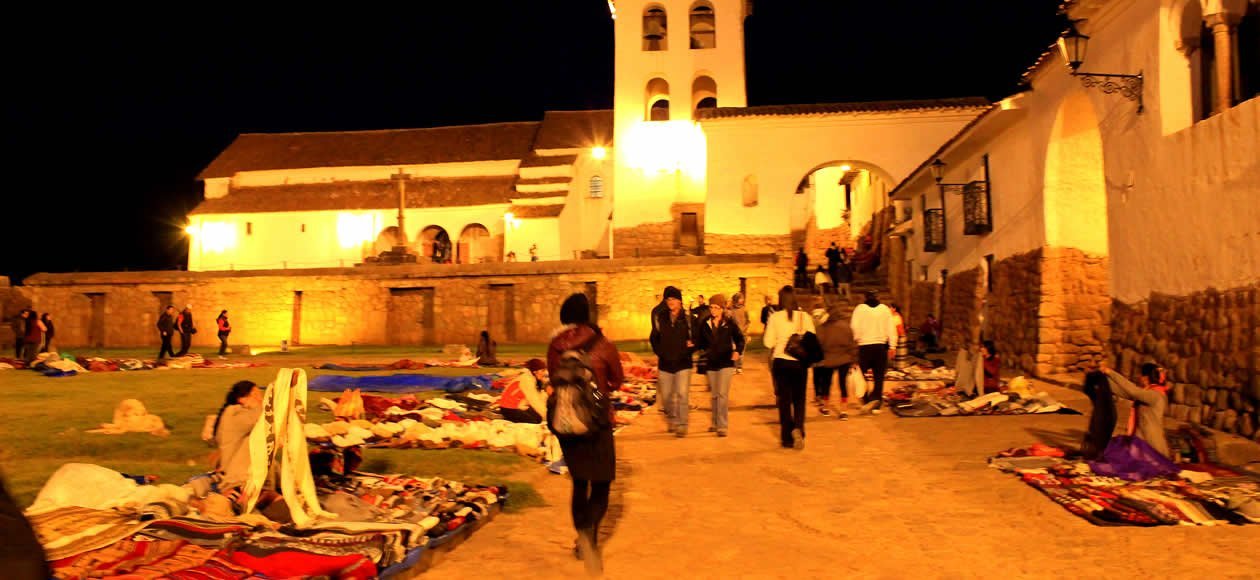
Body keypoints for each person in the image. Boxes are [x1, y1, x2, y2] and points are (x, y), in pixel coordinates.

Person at [547, 293, 624, 574]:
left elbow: (552, 377)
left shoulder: (555, 346)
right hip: (597, 421)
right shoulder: (603, 344)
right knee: (601, 484)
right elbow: (617, 379)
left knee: (580, 483)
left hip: (567, 422)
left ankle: (582, 533)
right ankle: (589, 536)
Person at [763, 285, 815, 449]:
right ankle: (798, 428)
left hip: (781, 362)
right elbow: (812, 338)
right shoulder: (804, 317)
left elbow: (768, 342)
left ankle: (787, 437)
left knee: (784, 400)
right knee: (799, 399)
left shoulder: (775, 317)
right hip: (799, 363)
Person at [695, 295, 745, 437]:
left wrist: (737, 351)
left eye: (716, 307)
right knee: (715, 395)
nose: (713, 310)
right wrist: (694, 347)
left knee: (722, 394)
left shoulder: (729, 322)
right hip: (711, 363)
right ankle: (715, 422)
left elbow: (740, 339)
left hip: (726, 362)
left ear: (722, 308)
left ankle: (722, 426)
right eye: (711, 307)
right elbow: (699, 342)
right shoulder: (705, 323)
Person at [649, 285, 694, 437]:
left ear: (680, 301)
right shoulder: (660, 317)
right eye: (668, 299)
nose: (670, 302)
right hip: (665, 364)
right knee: (667, 398)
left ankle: (682, 425)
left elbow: (696, 338)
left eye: (673, 299)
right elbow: (654, 338)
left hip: (683, 363)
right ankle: (673, 420)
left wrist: (690, 349)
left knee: (682, 395)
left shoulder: (687, 318)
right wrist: (660, 352)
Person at [1101, 363, 1171, 458]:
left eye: (1140, 375)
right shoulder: (1147, 393)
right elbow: (1123, 391)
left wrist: (1110, 372)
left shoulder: (1156, 395)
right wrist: (1101, 378)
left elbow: (1133, 391)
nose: (1139, 378)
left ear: (1145, 378)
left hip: (1152, 445)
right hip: (1141, 442)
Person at [851, 290, 898, 414]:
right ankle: (876, 401)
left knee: (861, 376)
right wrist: (893, 346)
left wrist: (855, 340)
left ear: (865, 297)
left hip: (864, 347)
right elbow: (891, 328)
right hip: (880, 347)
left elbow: (854, 328)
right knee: (879, 377)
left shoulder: (859, 309)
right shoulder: (884, 309)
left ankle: (866, 399)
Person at [213, 380, 263, 493]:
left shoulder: (237, 412)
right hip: (237, 477)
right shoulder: (234, 414)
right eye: (255, 395)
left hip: (239, 472)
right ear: (241, 399)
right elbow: (259, 419)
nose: (260, 398)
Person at [813, 300, 856, 419]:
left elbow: (819, 344)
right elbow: (852, 343)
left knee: (827, 383)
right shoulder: (846, 326)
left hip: (828, 359)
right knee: (843, 384)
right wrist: (854, 359)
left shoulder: (823, 328)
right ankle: (844, 410)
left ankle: (826, 407)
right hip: (844, 359)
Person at [728, 292, 750, 374]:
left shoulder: (745, 309)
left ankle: (739, 367)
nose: (742, 300)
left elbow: (748, 321)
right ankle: (734, 366)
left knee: (741, 351)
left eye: (742, 298)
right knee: (734, 350)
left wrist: (745, 329)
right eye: (740, 298)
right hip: (733, 334)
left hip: (743, 333)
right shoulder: (731, 310)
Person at [889, 303, 908, 370]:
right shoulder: (892, 316)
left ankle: (900, 368)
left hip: (900, 336)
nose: (889, 309)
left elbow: (893, 326)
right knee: (896, 354)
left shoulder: (896, 316)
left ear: (894, 309)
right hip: (897, 336)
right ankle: (896, 367)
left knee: (900, 354)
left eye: (890, 307)